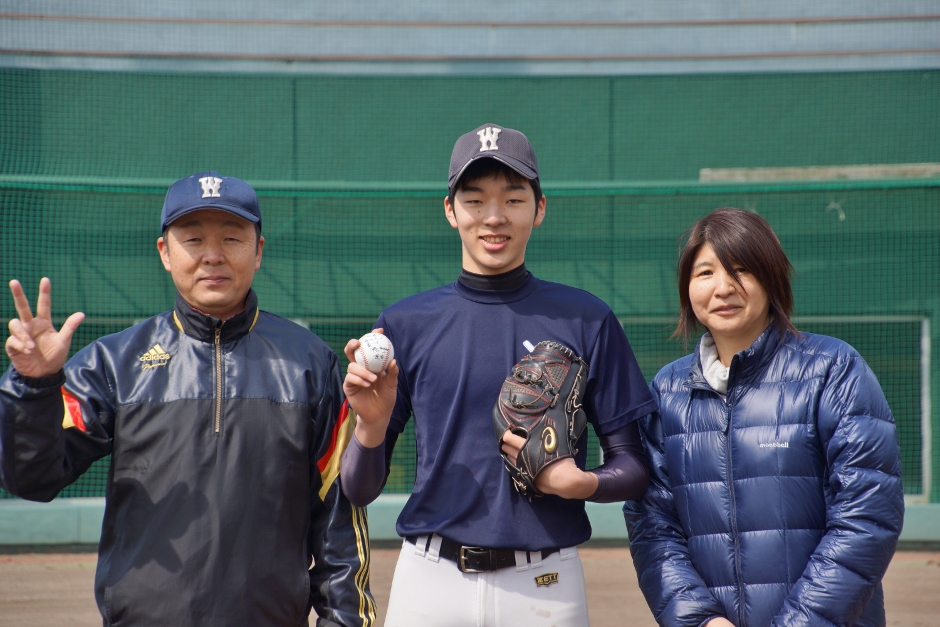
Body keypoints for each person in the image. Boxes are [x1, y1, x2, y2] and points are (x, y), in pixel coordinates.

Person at [0, 172, 374, 627]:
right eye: (193, 239)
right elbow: (32, 479)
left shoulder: (309, 362)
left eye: (232, 238)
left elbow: (339, 518)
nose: (212, 255)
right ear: (165, 252)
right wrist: (34, 387)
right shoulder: (115, 362)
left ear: (258, 251)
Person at [339, 124, 657, 626]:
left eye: (513, 199)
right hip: (429, 582)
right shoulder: (406, 323)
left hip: (545, 584)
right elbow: (358, 490)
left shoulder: (586, 318)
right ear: (450, 211)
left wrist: (581, 483)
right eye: (474, 200)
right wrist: (371, 427)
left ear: (540, 208)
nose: (493, 217)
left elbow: (634, 465)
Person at [624, 207, 904, 627]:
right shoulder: (668, 390)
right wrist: (699, 620)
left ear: (771, 278)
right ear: (686, 287)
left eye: (741, 270)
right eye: (705, 273)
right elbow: (652, 524)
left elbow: (867, 517)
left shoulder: (832, 369)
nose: (723, 288)